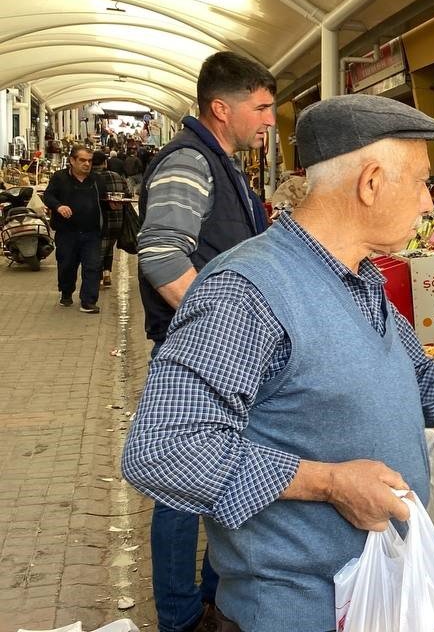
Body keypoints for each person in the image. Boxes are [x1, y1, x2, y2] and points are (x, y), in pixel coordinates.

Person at [122, 95, 434, 632]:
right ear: (370, 183)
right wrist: (327, 483)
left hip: (371, 599)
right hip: (294, 611)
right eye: (420, 182)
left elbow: (415, 385)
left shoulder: (362, 281)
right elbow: (162, 449)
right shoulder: (246, 291)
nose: (426, 203)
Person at [136, 50, 274, 632]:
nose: (270, 120)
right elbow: (161, 252)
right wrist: (218, 322)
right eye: (262, 108)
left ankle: (216, 600)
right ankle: (180, 615)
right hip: (199, 355)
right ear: (222, 108)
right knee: (180, 489)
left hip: (222, 354)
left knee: (219, 479)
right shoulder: (190, 161)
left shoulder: (223, 163)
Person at [41, 145, 103, 312]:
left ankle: (88, 301)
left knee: (92, 266)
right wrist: (58, 207)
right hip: (67, 232)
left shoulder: (96, 180)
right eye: (82, 160)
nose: (87, 164)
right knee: (67, 265)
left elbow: (104, 200)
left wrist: (112, 205)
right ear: (72, 161)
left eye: (89, 161)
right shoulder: (60, 178)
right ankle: (66, 292)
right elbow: (48, 196)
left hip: (91, 232)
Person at [91, 152, 129, 289]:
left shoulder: (90, 178)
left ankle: (98, 277)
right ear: (105, 163)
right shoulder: (116, 176)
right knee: (108, 247)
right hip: (117, 219)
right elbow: (128, 193)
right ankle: (107, 273)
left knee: (99, 249)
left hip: (98, 219)